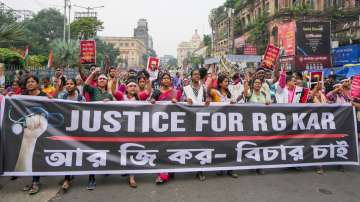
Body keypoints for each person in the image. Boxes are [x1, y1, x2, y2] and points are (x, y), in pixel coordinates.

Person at [83, 68, 114, 190]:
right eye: (100, 78)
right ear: (97, 81)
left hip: (106, 127)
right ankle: (91, 178)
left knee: (106, 149)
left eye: (104, 79)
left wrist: (110, 102)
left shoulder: (109, 95)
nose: (101, 80)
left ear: (106, 82)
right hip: (93, 126)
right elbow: (85, 86)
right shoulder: (93, 90)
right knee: (93, 151)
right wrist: (92, 73)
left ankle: (105, 168)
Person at [150, 72, 181, 184]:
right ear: (161, 80)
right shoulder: (157, 91)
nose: (166, 80)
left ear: (171, 80)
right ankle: (162, 174)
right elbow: (152, 100)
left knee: (171, 147)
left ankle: (170, 169)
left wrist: (177, 102)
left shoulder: (176, 92)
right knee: (161, 148)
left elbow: (182, 105)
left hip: (173, 123)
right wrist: (153, 100)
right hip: (159, 125)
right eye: (164, 78)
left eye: (168, 78)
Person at [21, 75, 48, 195]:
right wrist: (10, 96)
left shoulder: (43, 96)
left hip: (40, 130)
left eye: (32, 81)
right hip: (27, 130)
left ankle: (36, 181)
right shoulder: (23, 96)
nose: (30, 83)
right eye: (28, 82)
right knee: (28, 155)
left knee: (36, 155)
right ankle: (33, 180)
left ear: (37, 83)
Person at [57, 78, 85, 191]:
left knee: (75, 153)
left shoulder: (80, 98)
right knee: (67, 153)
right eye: (67, 84)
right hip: (65, 130)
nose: (69, 85)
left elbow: (85, 112)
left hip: (77, 130)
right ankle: (67, 179)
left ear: (75, 86)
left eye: (71, 84)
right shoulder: (61, 97)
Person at [182, 68, 210, 181]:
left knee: (200, 145)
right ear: (191, 76)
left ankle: (200, 170)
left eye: (198, 74)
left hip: (200, 120)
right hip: (188, 120)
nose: (197, 76)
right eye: (194, 74)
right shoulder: (185, 88)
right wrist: (185, 101)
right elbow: (180, 100)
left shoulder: (204, 88)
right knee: (188, 144)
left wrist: (208, 101)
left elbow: (206, 99)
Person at [209, 74, 238, 178]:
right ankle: (220, 167)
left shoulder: (230, 94)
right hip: (218, 124)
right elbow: (208, 91)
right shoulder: (215, 92)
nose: (227, 83)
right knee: (220, 147)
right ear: (220, 83)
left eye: (228, 81)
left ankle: (230, 168)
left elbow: (236, 104)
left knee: (230, 146)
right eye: (225, 81)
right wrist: (212, 80)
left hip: (229, 124)